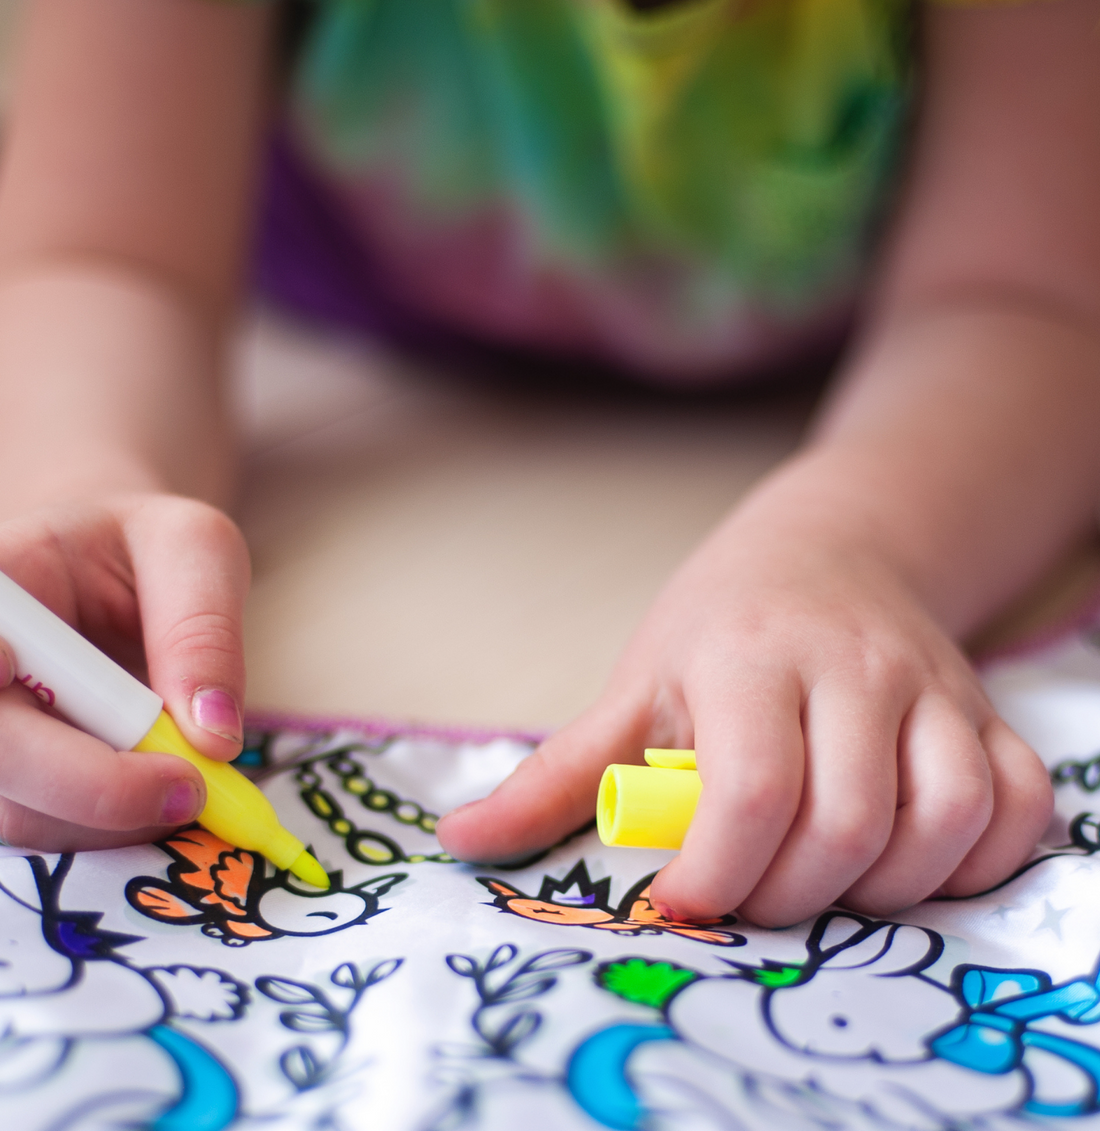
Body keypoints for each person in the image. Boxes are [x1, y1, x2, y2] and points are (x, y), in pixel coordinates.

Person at [0, 0, 1095, 931]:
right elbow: (104, 256)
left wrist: (847, 547)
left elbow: (1028, 305)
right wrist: (85, 486)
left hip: (866, 352)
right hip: (343, 320)